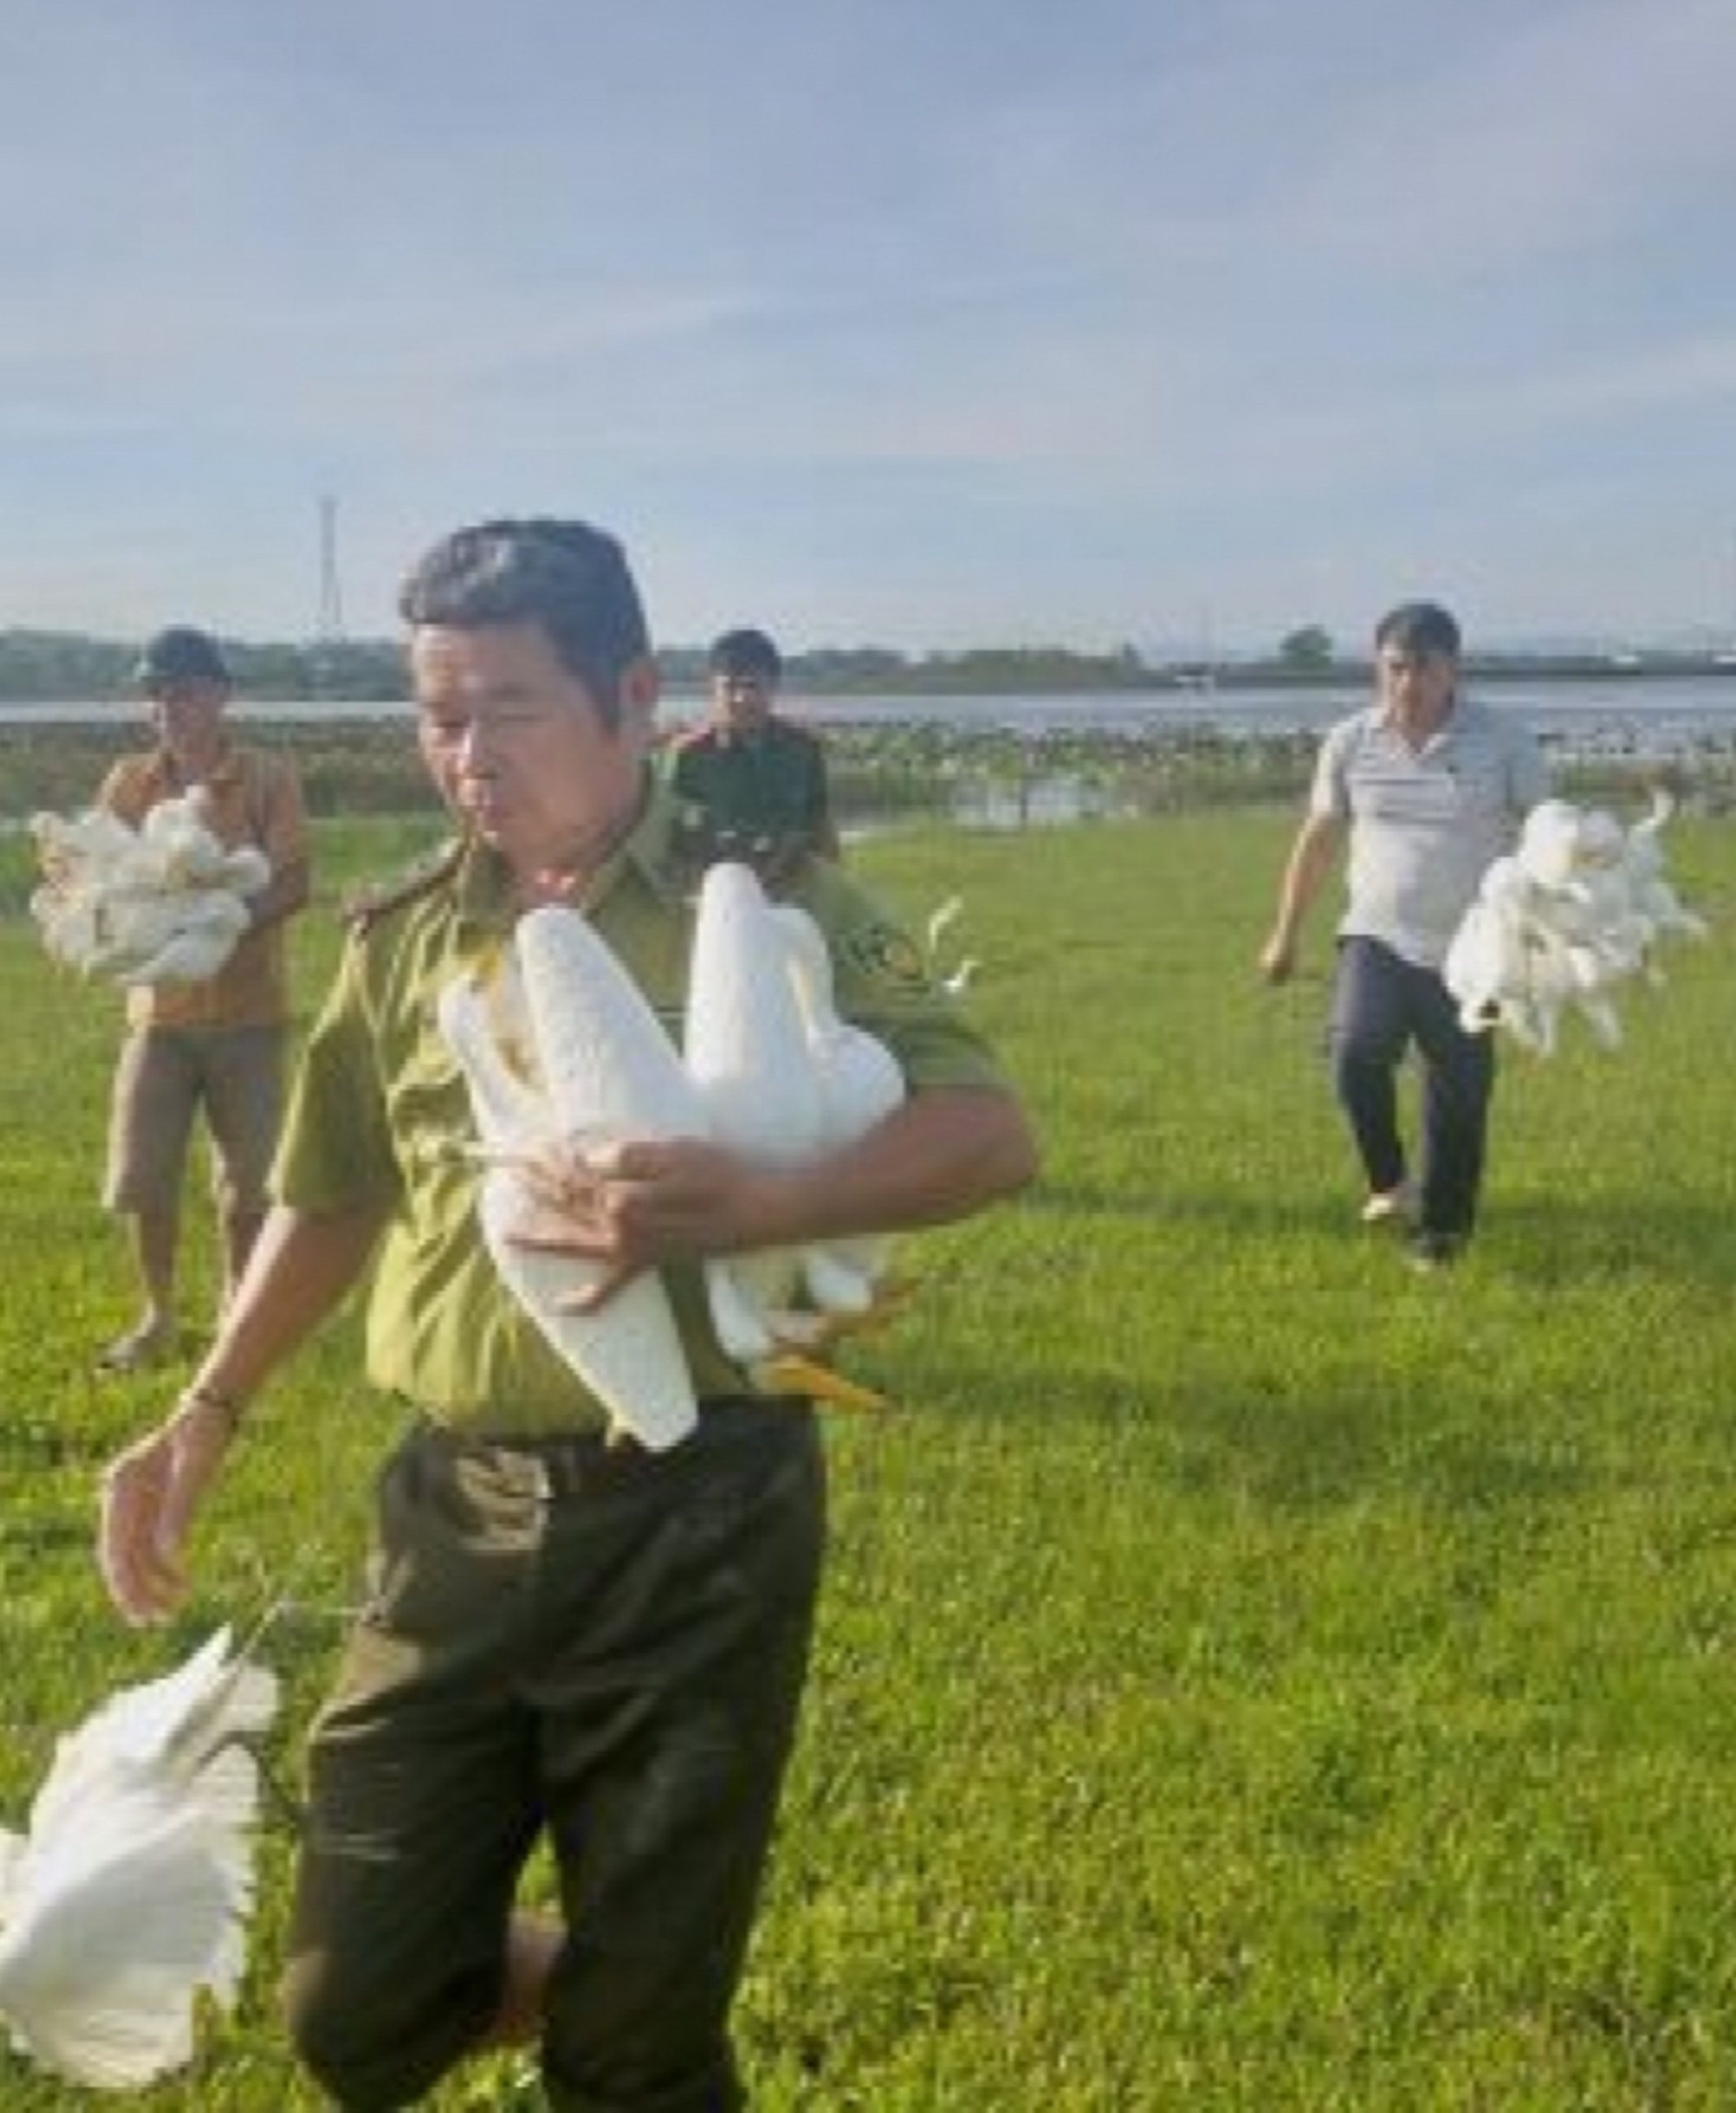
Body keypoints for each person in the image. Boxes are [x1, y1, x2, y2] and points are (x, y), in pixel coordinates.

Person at [96, 518, 1036, 2112]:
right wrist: (205, 1410)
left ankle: (638, 2015)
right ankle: (608, 1983)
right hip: (451, 1521)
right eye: (436, 716)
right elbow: (332, 1190)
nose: (463, 758)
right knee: (354, 2010)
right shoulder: (404, 939)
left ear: (634, 695)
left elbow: (988, 1127)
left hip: (700, 1527)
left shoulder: (781, 897)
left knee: (634, 2057)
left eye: (506, 711)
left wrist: (764, 1204)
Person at [1258, 601, 1548, 1271]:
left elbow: (1544, 833)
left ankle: (1441, 1236)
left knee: (1459, 1092)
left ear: (1454, 670)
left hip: (1476, 947)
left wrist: (1552, 926)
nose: (1407, 686)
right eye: (1394, 669)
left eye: (1423, 669)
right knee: (1355, 1051)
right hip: (1376, 936)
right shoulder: (1351, 741)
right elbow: (1321, 839)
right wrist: (1285, 935)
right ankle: (1390, 1181)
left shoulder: (1503, 740)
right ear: (1377, 667)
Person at [94, 623, 312, 1369]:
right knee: (143, 1174)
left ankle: (235, 1313)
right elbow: (105, 880)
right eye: (155, 695)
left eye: (182, 692)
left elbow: (293, 883)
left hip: (249, 1018)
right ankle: (156, 1318)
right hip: (157, 1019)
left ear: (221, 695)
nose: (167, 708)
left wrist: (220, 924)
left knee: (248, 1182)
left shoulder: (266, 778)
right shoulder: (128, 782)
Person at [660, 625, 840, 861]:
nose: (742, 698)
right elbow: (669, 836)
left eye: (753, 685)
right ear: (713, 688)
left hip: (794, 883)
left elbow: (821, 825)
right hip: (721, 887)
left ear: (774, 685)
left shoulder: (803, 749)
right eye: (730, 687)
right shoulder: (689, 755)